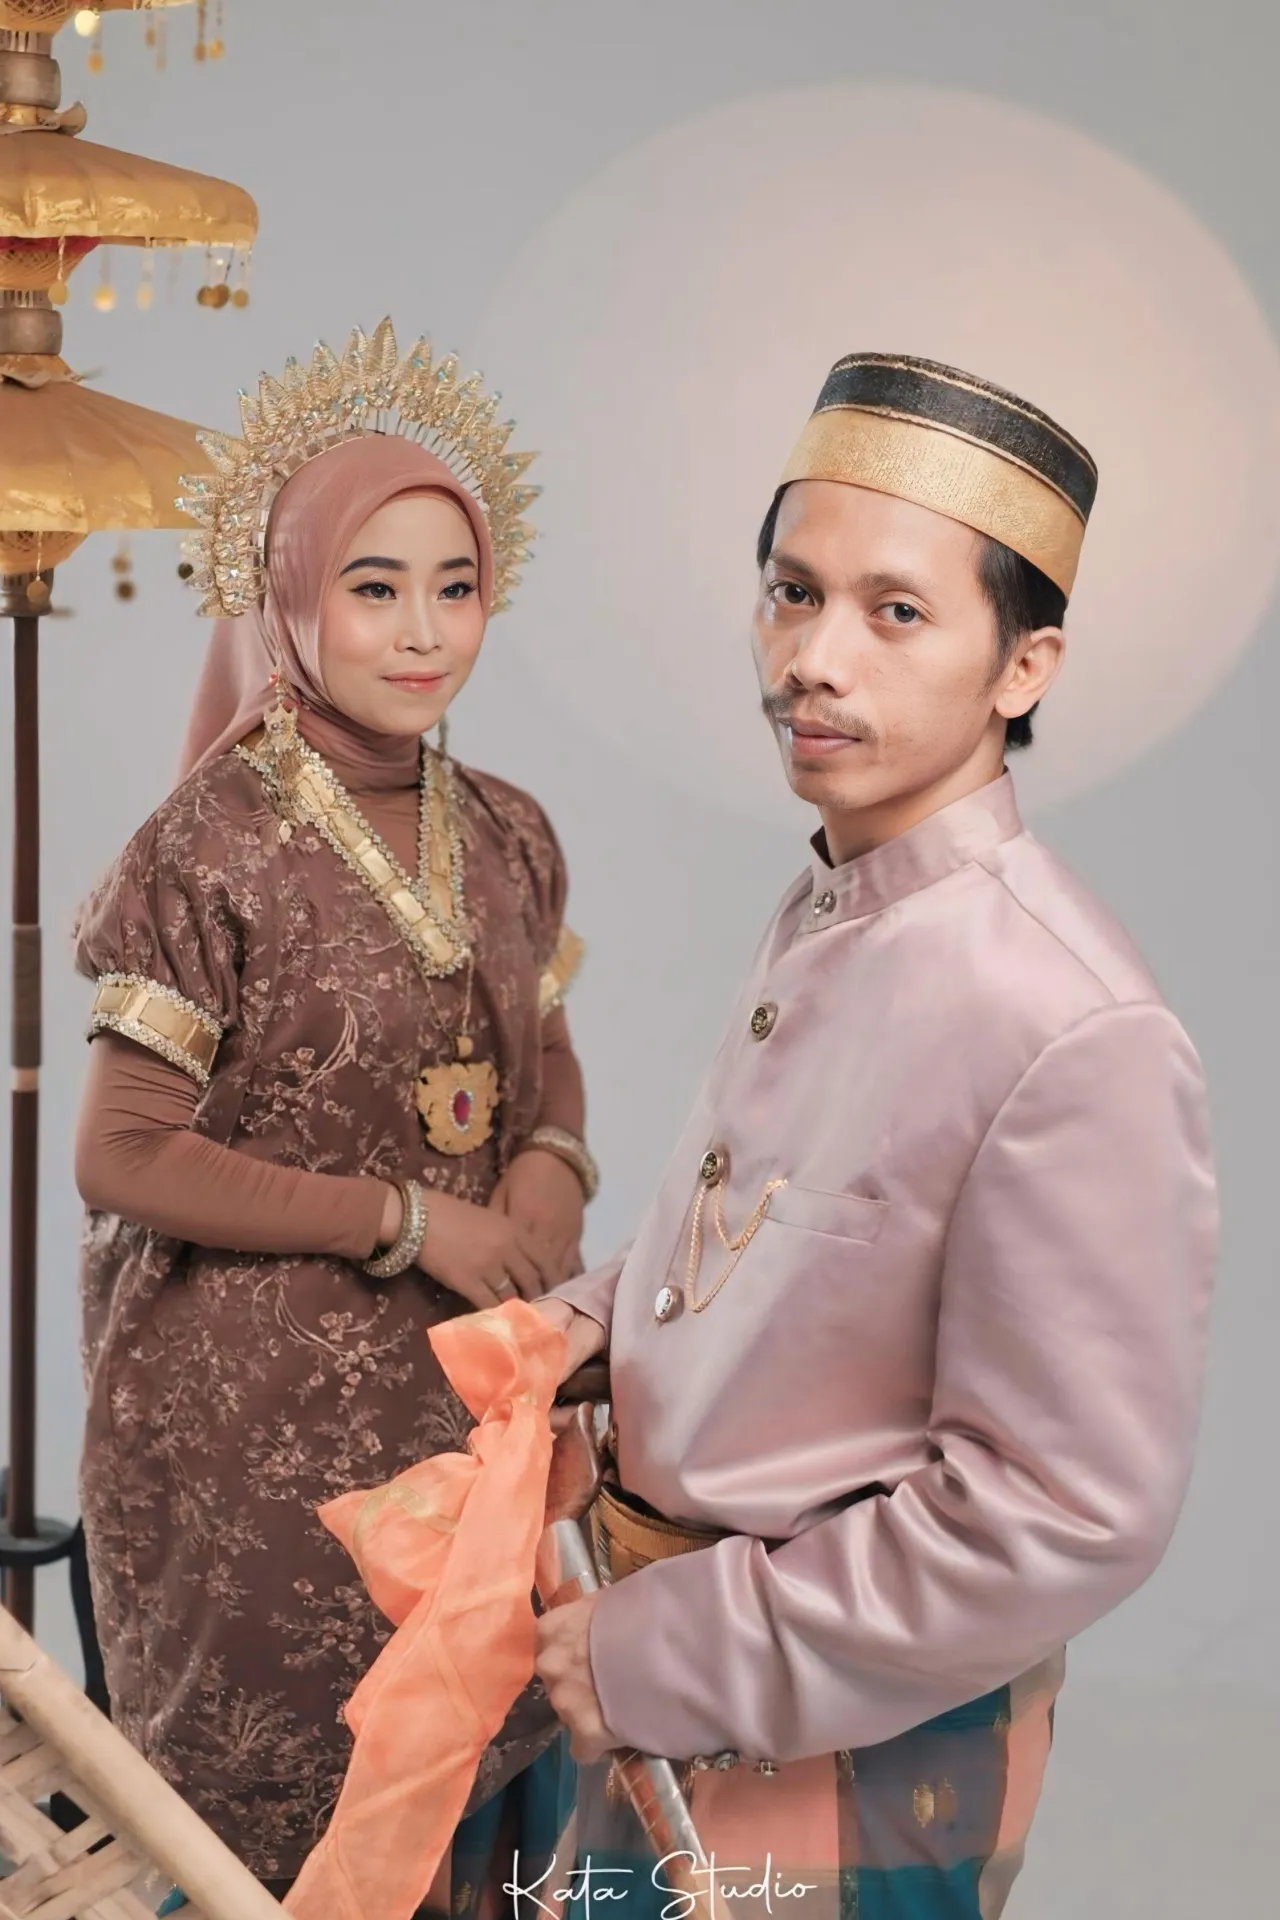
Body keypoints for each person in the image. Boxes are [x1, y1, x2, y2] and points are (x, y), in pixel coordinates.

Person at [533, 353, 1218, 1917]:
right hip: (665, 1672)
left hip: (846, 1735)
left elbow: (1065, 1511)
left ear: (1024, 665)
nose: (812, 660)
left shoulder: (1068, 1017)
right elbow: (793, 1238)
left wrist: (668, 1649)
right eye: (792, 593)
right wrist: (584, 1326)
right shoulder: (840, 900)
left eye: (895, 612)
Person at [72, 323, 596, 1903]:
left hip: (461, 1406)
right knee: (273, 1820)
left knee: (475, 1781)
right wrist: (413, 1221)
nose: (424, 631)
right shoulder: (206, 848)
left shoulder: (508, 831)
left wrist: (549, 1175)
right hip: (250, 1433)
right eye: (375, 588)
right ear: (293, 595)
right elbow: (119, 1153)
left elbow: (543, 1052)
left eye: (456, 585)